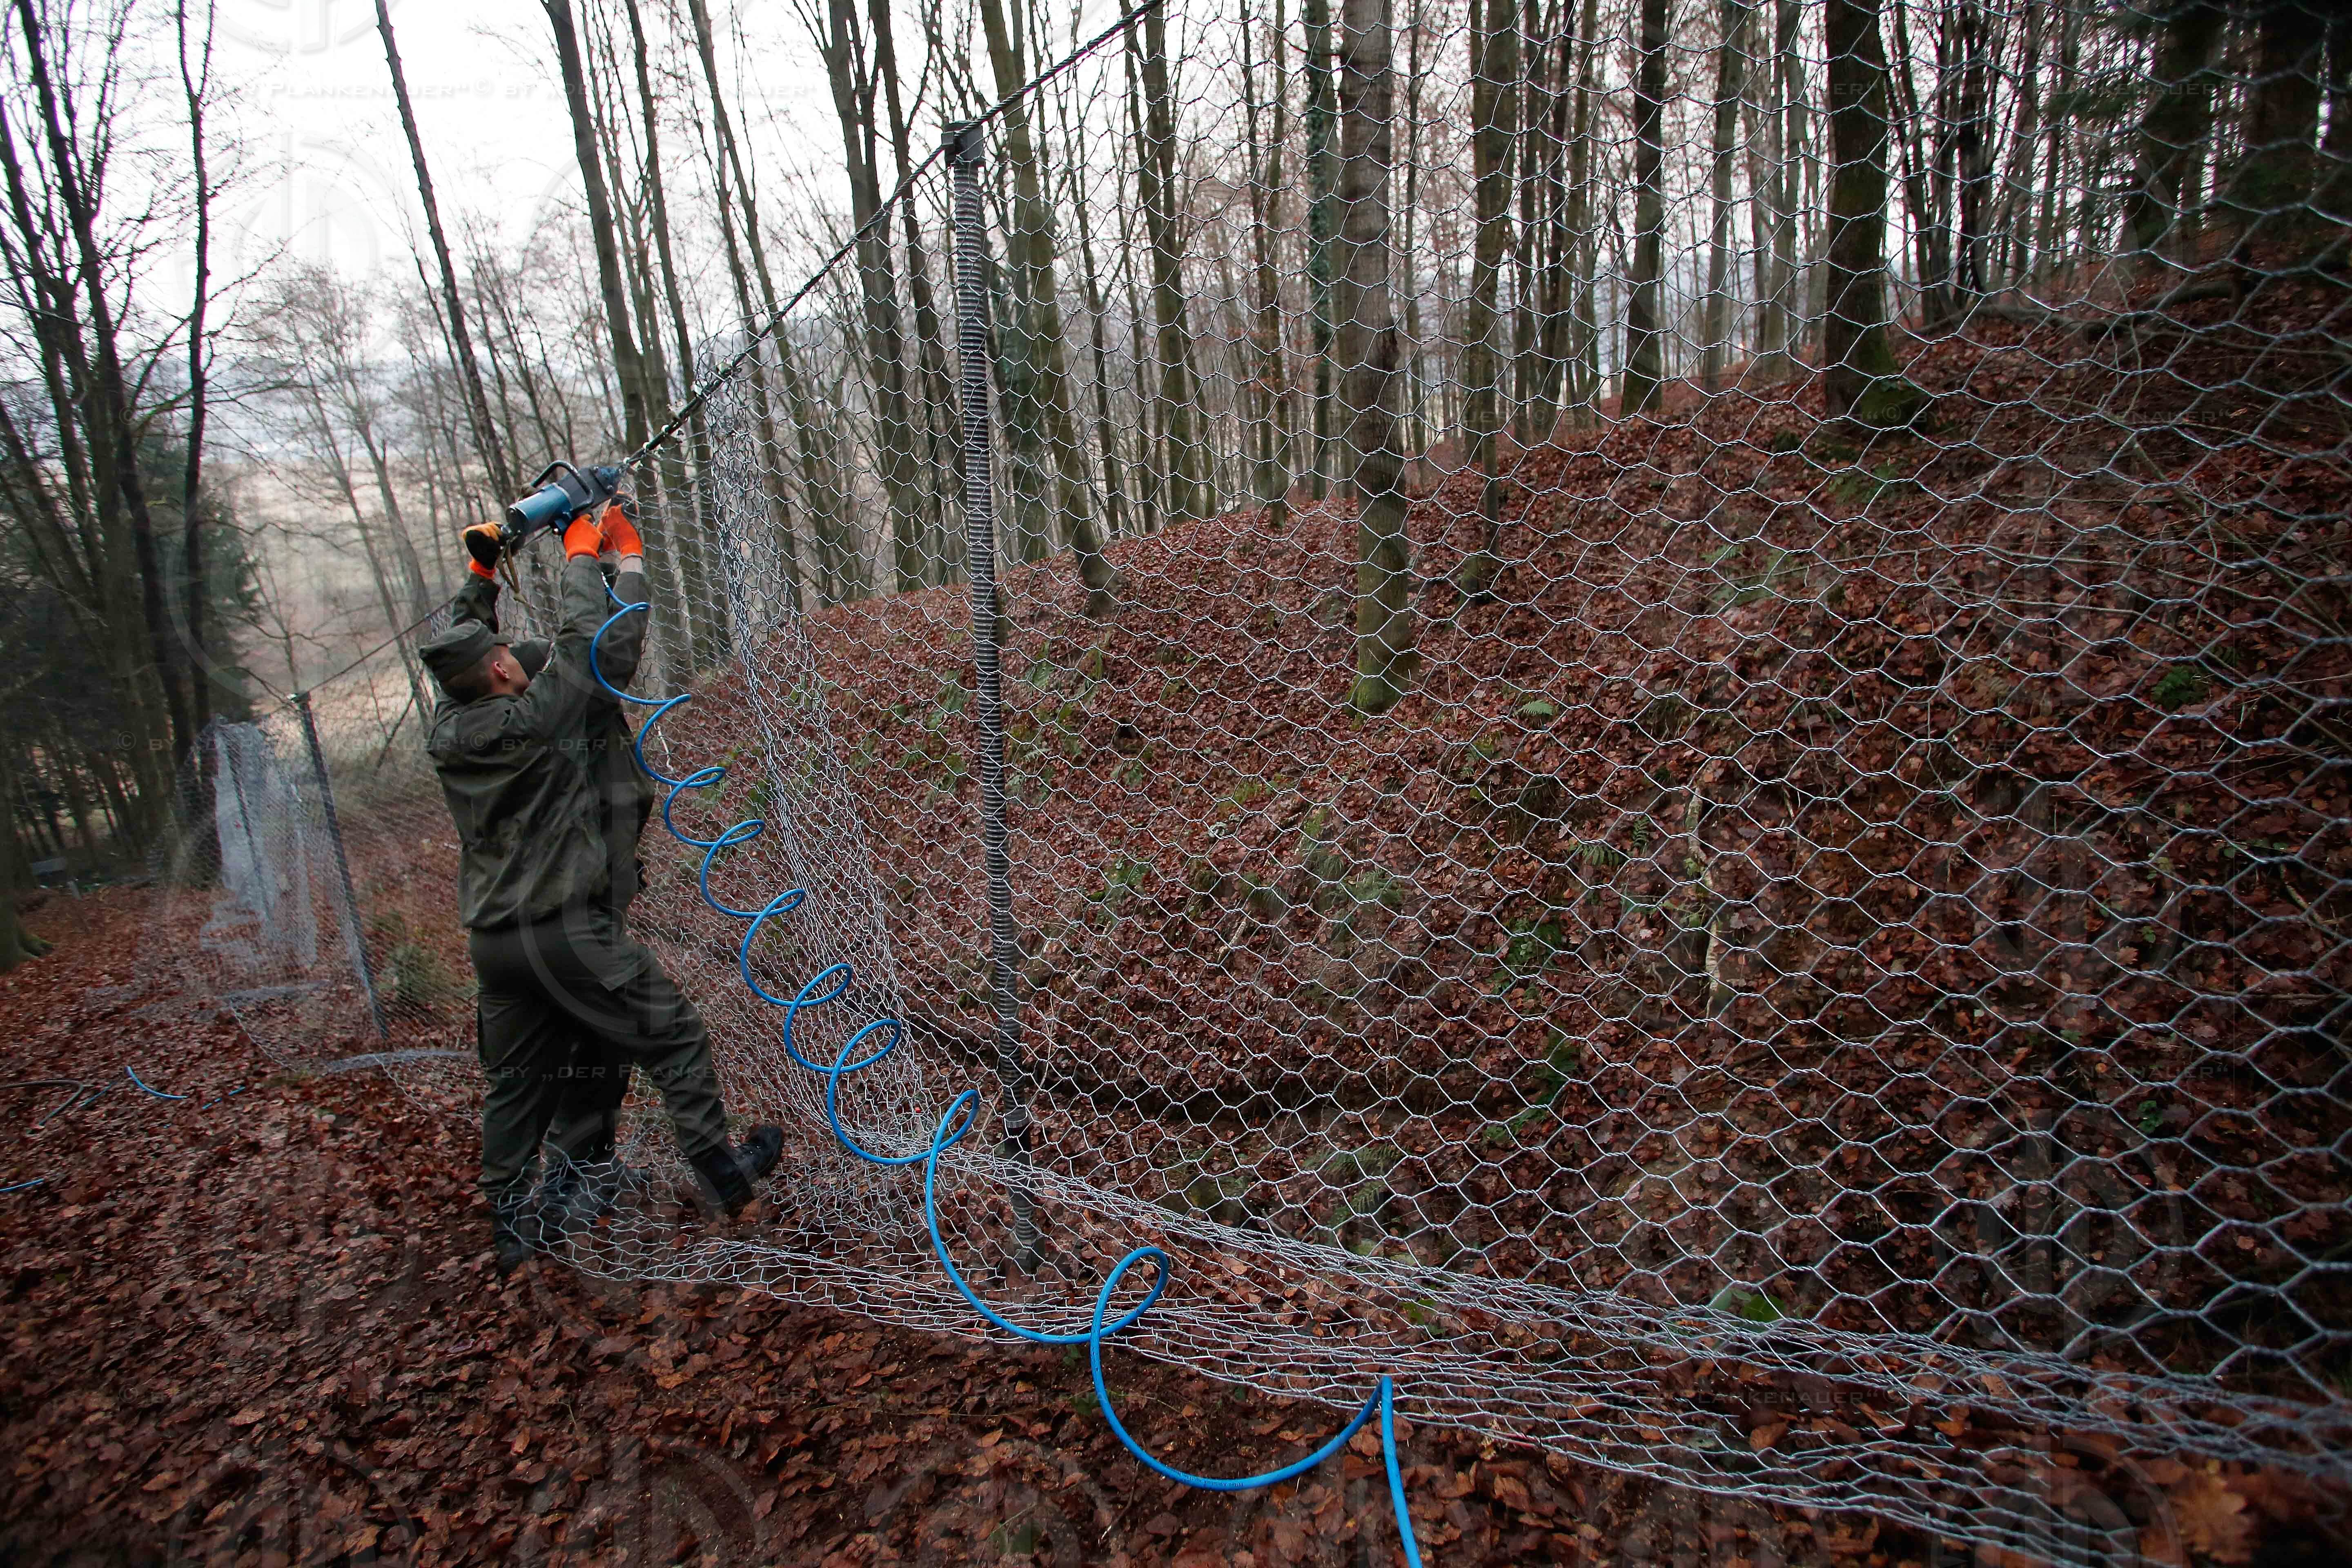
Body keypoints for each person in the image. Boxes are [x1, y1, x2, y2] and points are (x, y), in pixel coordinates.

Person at [419, 500, 780, 1272]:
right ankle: (724, 1171)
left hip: (495, 945)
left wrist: (483, 573)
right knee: (672, 1034)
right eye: (508, 657)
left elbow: (456, 652)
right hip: (567, 931)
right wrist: (591, 554)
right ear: (499, 673)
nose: (520, 657)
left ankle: (515, 1223)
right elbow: (590, 650)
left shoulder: (449, 730)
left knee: (519, 1083)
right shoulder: (538, 720)